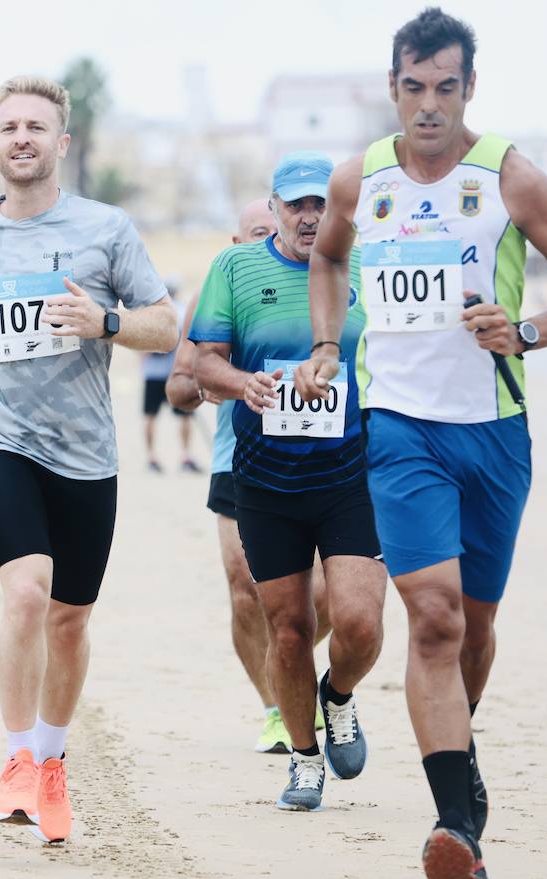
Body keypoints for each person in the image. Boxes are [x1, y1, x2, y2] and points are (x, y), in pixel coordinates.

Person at [295, 8, 547, 879]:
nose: (428, 106)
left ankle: (458, 779)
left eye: (444, 88)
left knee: (472, 630)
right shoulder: (361, 175)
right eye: (412, 87)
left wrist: (526, 331)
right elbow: (328, 259)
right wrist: (327, 344)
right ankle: (454, 827)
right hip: (399, 431)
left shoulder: (511, 177)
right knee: (430, 619)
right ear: (391, 86)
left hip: (494, 432)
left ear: (469, 88)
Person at [0, 76, 178, 844]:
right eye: (8, 127)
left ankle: (51, 759)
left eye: (37, 126)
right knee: (28, 594)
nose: (22, 138)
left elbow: (165, 326)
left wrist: (104, 321)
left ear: (61, 143)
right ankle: (13, 759)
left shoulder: (105, 229)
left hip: (83, 449)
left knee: (70, 619)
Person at [193, 153, 387, 814]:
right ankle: (305, 760)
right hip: (266, 481)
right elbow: (198, 362)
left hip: (351, 474)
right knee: (288, 628)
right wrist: (241, 384)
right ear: (274, 208)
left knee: (360, 622)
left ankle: (337, 696)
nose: (310, 216)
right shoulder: (235, 269)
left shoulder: (366, 264)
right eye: (297, 204)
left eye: (321, 204)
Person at [168, 198, 331, 754]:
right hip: (237, 459)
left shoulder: (331, 288)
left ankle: (292, 670)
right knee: (245, 592)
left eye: (275, 228)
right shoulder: (215, 298)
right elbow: (178, 389)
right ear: (238, 246)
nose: (274, 239)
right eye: (258, 232)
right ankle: (275, 709)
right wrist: (217, 383)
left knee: (320, 600)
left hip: (325, 460)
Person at [141, 281, 199, 473]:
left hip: (153, 374)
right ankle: (185, 456)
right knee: (185, 416)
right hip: (176, 373)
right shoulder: (183, 311)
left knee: (150, 416)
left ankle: (151, 457)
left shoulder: (151, 313)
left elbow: (141, 345)